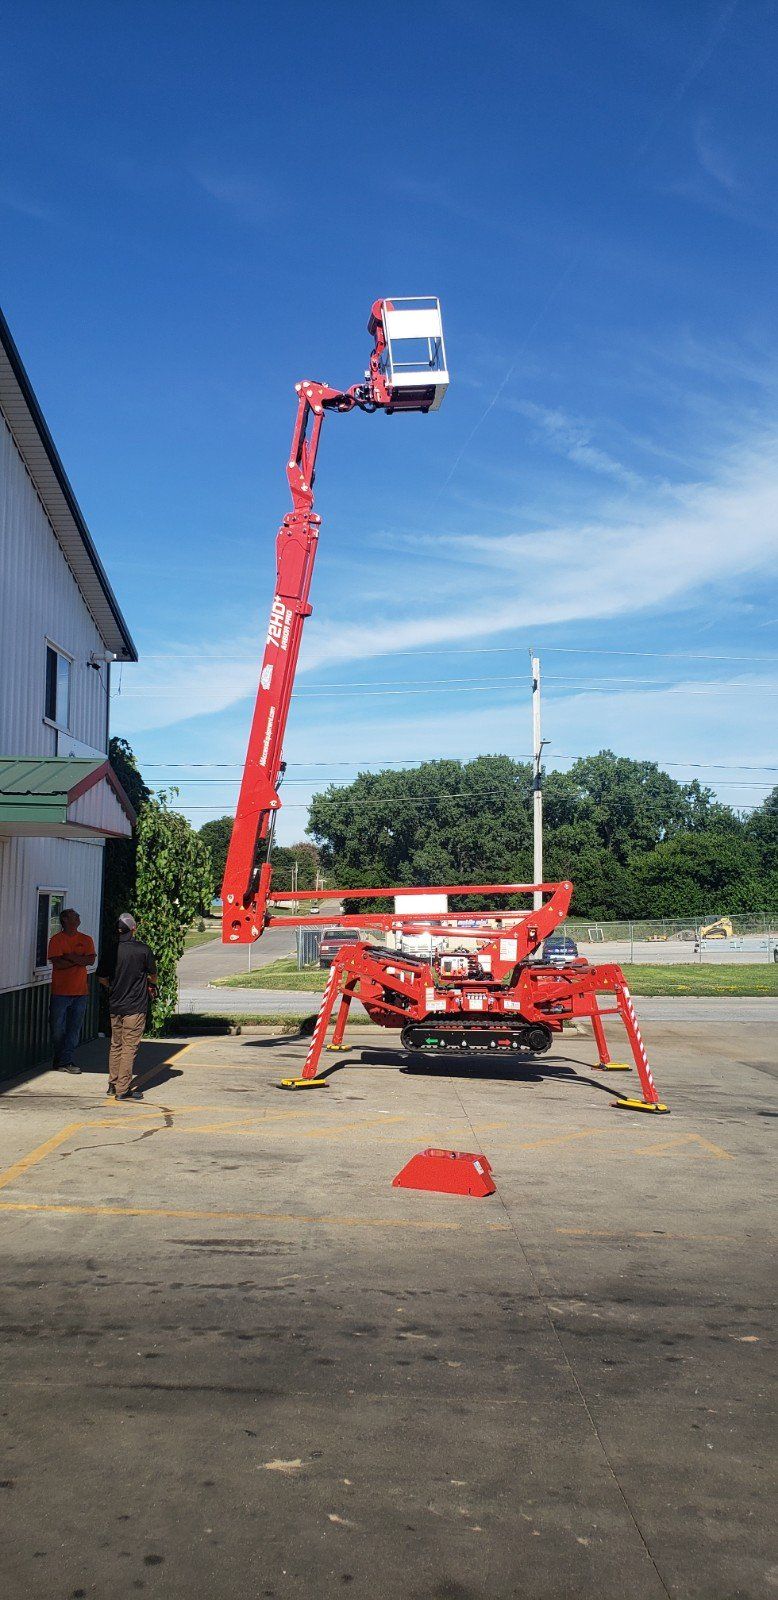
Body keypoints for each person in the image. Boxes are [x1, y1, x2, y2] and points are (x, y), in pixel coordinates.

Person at [99, 913, 157, 1102]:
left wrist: (112, 987)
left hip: (115, 1004)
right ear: (133, 929)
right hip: (135, 1006)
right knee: (129, 1047)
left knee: (116, 1044)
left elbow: (102, 977)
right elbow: (153, 975)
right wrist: (149, 984)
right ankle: (123, 1089)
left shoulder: (111, 950)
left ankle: (112, 1084)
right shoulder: (143, 950)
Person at [48, 908, 96, 1075]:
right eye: (75, 916)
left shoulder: (86, 939)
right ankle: (60, 1059)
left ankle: (66, 1060)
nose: (78, 918)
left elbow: (90, 960)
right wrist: (79, 960)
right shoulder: (56, 940)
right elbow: (57, 964)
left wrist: (70, 957)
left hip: (80, 991)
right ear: (66, 920)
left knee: (74, 1029)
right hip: (60, 992)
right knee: (57, 1029)